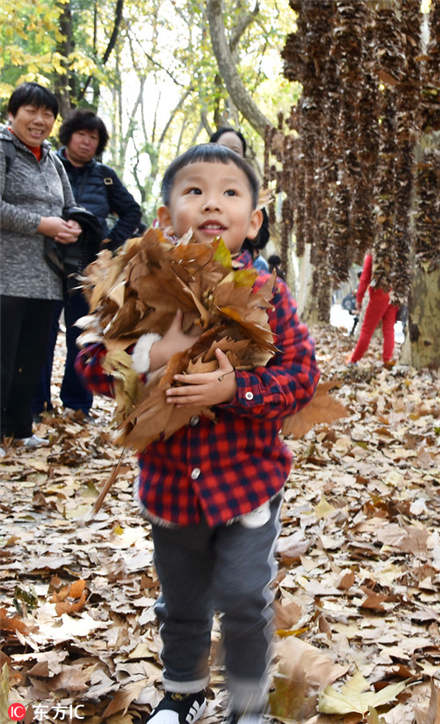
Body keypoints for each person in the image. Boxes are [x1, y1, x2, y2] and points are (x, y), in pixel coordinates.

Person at [76, 144, 319, 724]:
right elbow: (90, 365)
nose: (212, 202)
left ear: (253, 221)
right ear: (164, 217)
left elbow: (302, 376)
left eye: (230, 192)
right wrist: (154, 353)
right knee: (181, 601)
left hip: (247, 483)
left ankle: (248, 702)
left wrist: (237, 392)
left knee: (242, 596)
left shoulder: (268, 295)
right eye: (194, 191)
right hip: (169, 488)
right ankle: (183, 690)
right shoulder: (141, 289)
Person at [32, 109, 143, 419]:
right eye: (81, 134)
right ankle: (37, 404)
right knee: (41, 334)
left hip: (89, 269)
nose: (86, 141)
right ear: (68, 135)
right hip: (47, 262)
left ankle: (78, 405)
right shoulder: (48, 165)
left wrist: (109, 241)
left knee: (84, 337)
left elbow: (131, 212)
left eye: (93, 137)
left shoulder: (105, 176)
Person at [1, 82, 82, 449]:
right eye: (31, 111)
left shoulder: (51, 159)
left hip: (47, 276)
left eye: (47, 113)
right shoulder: (3, 149)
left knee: (32, 359)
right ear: (12, 114)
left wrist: (74, 225)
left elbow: (69, 205)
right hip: (6, 276)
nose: (40, 120)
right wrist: (40, 224)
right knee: (3, 357)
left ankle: (19, 430)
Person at [209, 126, 270, 253]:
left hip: (238, 265)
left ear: (242, 157)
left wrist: (248, 225)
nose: (229, 154)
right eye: (222, 148)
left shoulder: (252, 192)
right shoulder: (195, 185)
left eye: (235, 151)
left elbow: (263, 237)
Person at [346, 252, 399, 366]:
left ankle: (354, 360)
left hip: (379, 295)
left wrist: (359, 299)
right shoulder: (396, 250)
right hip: (394, 294)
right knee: (389, 329)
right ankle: (387, 360)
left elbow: (364, 278)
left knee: (366, 330)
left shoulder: (373, 254)